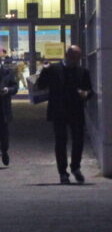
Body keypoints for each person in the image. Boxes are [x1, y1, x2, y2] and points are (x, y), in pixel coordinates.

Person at [36, 45, 94, 184]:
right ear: (68, 55)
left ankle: (75, 167)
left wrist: (86, 94)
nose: (77, 61)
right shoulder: (54, 69)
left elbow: (89, 90)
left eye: (78, 58)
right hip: (59, 111)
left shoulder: (82, 72)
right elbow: (41, 85)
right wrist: (44, 70)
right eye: (75, 58)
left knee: (78, 141)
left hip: (76, 111)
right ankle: (63, 172)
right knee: (61, 142)